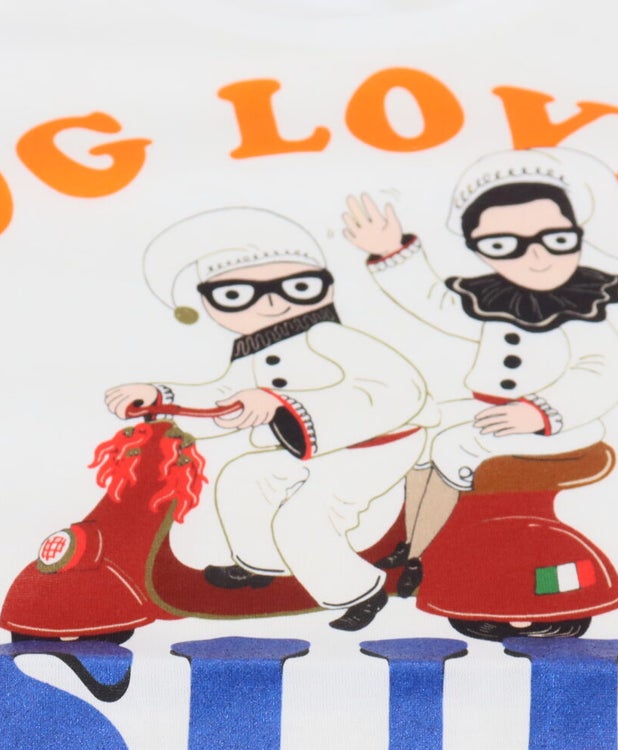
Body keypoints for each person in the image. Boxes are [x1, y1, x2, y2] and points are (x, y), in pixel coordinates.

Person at [105, 207, 435, 630]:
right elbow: (224, 397)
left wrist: (283, 404)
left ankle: (357, 590)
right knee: (244, 478)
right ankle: (263, 563)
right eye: (237, 294)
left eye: (299, 287)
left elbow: (399, 391)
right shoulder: (255, 350)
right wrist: (160, 396)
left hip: (377, 444)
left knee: (304, 516)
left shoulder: (330, 336)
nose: (274, 303)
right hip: (314, 446)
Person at [343, 149, 618, 597]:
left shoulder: (583, 307)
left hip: (558, 425)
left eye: (556, 240)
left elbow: (603, 372)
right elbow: (434, 303)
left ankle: (424, 556)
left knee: (454, 446)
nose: (536, 257)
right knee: (420, 432)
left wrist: (539, 412)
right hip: (491, 410)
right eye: (504, 246)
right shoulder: (495, 299)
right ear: (479, 248)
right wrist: (391, 251)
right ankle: (408, 541)